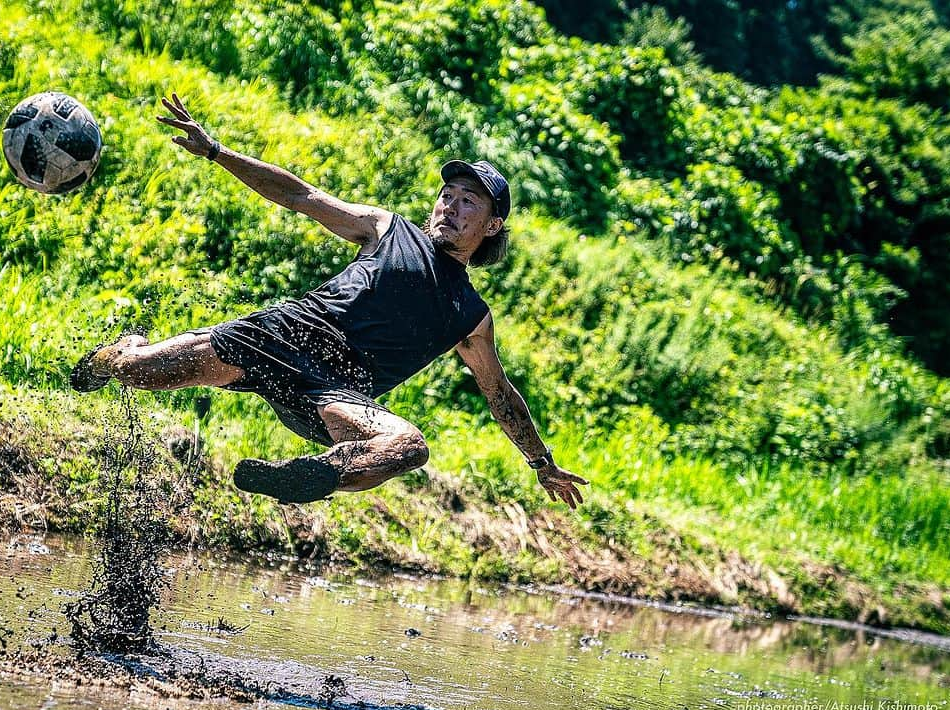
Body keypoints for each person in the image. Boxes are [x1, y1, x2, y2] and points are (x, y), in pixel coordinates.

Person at [70, 93, 588, 508]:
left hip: (334, 394)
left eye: (468, 201)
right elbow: (301, 196)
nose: (450, 206)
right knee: (139, 372)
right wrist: (216, 151)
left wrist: (542, 464)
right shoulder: (387, 228)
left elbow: (500, 396)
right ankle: (119, 352)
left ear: (492, 225)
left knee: (408, 446)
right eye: (447, 195)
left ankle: (305, 478)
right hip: (281, 337)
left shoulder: (471, 318)